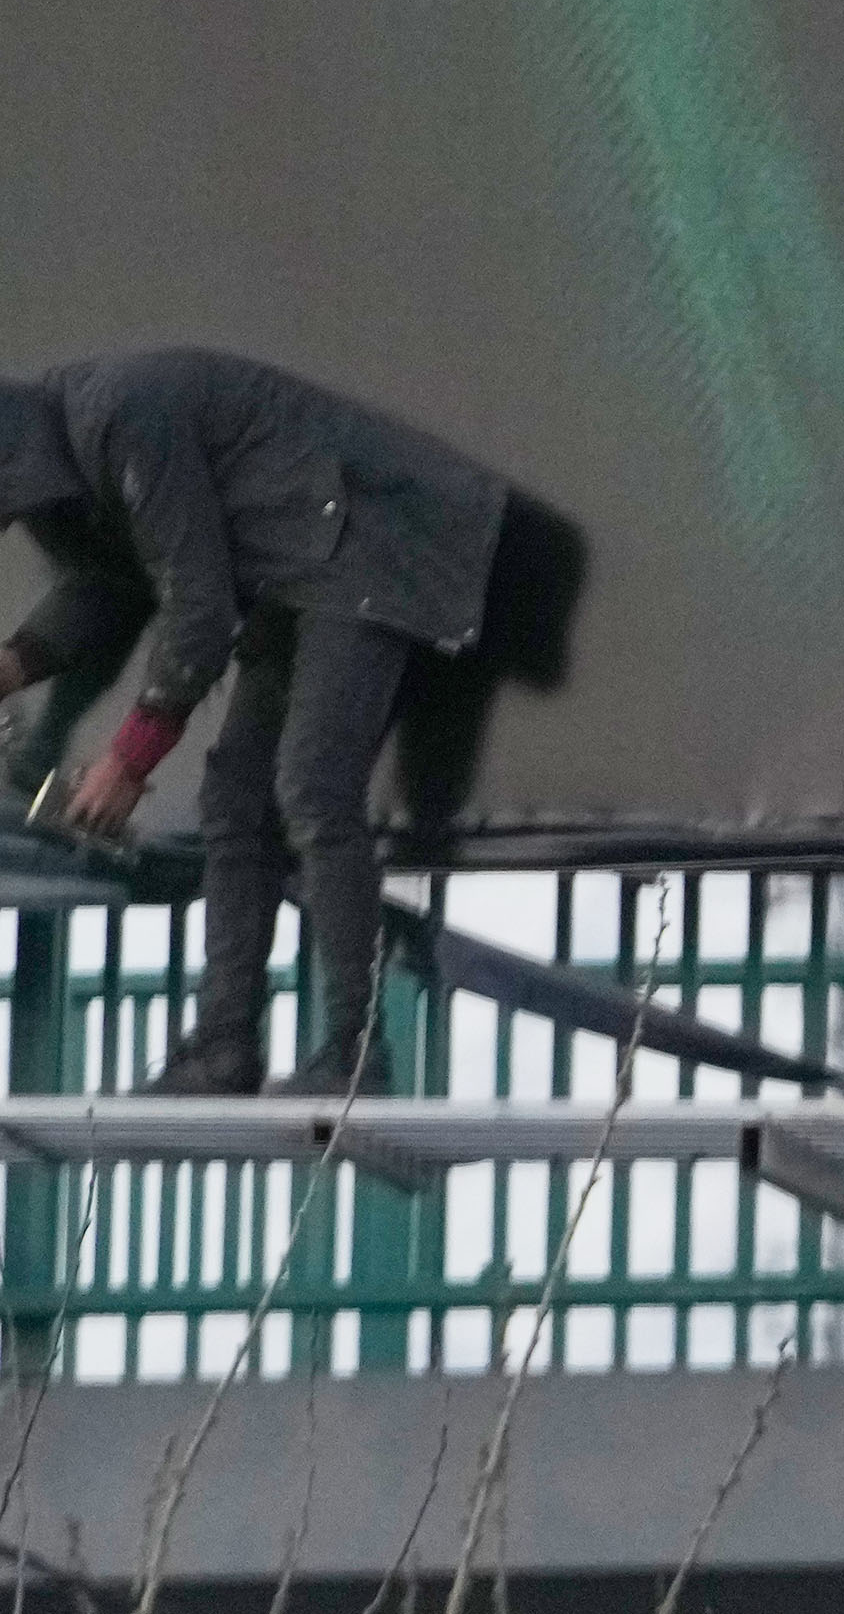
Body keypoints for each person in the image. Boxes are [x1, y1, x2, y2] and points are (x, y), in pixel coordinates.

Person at [0, 350, 513, 1094]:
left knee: (313, 788)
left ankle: (356, 1056)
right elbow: (107, 587)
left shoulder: (120, 419)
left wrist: (131, 759)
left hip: (366, 545)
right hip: (297, 570)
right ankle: (223, 1049)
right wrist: (13, 666)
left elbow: (198, 608)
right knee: (234, 801)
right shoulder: (65, 454)